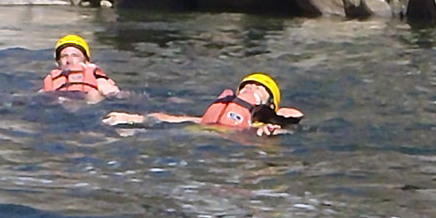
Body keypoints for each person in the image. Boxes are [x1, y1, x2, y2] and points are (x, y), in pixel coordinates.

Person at [103, 73, 304, 136]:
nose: (250, 89)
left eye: (258, 89)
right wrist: (132, 118)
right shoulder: (210, 118)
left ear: (269, 105)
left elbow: (287, 127)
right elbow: (175, 120)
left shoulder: (263, 128)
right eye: (247, 86)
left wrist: (274, 131)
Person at [40, 34, 121, 101]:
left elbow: (116, 95)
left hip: (87, 110)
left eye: (75, 55)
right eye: (64, 56)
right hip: (60, 110)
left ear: (86, 61)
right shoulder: (51, 81)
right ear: (58, 62)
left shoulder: (98, 80)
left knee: (94, 93)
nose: (69, 60)